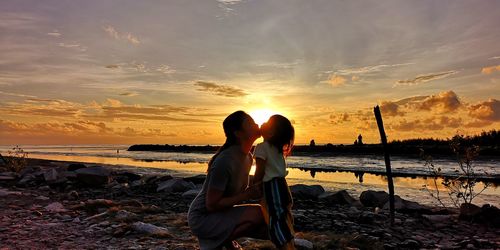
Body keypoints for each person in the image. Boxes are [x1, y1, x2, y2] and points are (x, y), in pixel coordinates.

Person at [188, 111, 268, 250]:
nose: (255, 124)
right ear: (238, 133)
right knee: (258, 214)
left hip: (219, 213)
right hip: (202, 218)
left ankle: (222, 242)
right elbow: (211, 205)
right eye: (249, 123)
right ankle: (216, 244)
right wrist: (247, 195)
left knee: (269, 222)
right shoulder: (225, 161)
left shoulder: (248, 157)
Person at [253, 114, 295, 250]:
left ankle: (283, 244)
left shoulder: (261, 147)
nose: (262, 123)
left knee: (275, 216)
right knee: (283, 214)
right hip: (283, 185)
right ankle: (289, 242)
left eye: (266, 123)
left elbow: (260, 170)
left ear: (271, 132)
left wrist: (254, 185)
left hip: (272, 186)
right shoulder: (276, 148)